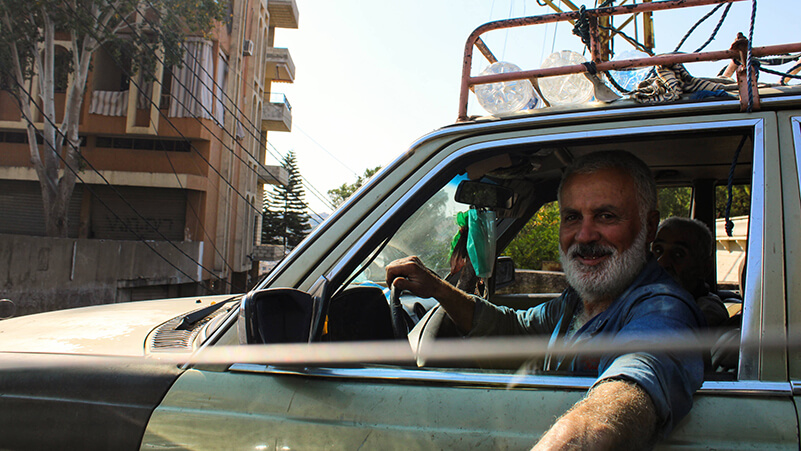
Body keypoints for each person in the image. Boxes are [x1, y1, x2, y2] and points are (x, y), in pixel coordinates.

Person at [386, 150, 705, 450]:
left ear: (649, 227)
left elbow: (629, 388)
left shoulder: (663, 308)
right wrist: (440, 289)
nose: (584, 235)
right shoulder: (579, 300)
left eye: (605, 216)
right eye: (572, 217)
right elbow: (515, 328)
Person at [652, 217, 730, 327]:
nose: (662, 262)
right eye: (658, 250)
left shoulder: (704, 314)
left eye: (678, 254)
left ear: (704, 268)